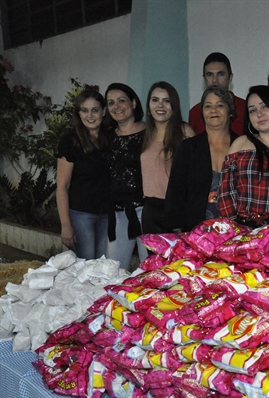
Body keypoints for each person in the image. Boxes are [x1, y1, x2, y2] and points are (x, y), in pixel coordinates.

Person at [218, 85, 269, 228]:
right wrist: (233, 230)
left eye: (264, 107)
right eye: (252, 111)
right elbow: (226, 193)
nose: (259, 114)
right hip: (241, 229)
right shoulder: (240, 144)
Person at [165, 85, 237, 232]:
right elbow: (175, 192)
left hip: (237, 232)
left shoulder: (243, 145)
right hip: (196, 232)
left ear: (230, 110)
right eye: (208, 106)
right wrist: (177, 230)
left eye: (220, 105)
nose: (213, 110)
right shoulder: (188, 148)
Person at [56, 90, 109, 260]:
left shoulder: (111, 138)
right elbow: (62, 186)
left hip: (108, 215)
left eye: (95, 110)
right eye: (84, 110)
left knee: (103, 267)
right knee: (84, 266)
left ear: (104, 111)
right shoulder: (70, 141)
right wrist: (65, 225)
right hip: (81, 215)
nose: (90, 115)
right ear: (78, 114)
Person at [140, 82, 194, 234]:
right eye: (155, 100)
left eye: (166, 100)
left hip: (176, 209)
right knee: (153, 258)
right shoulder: (146, 135)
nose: (160, 105)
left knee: (178, 258)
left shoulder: (185, 132)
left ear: (174, 106)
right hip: (150, 211)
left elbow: (195, 176)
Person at [104, 83, 148, 270]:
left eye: (122, 100)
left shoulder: (151, 132)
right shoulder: (105, 136)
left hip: (147, 212)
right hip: (118, 214)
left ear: (134, 103)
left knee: (150, 271)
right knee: (112, 271)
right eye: (111, 102)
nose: (117, 106)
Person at [188, 52, 246, 136]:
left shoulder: (246, 108)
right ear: (204, 78)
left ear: (230, 77)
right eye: (210, 75)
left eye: (221, 74)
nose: (215, 80)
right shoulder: (195, 112)